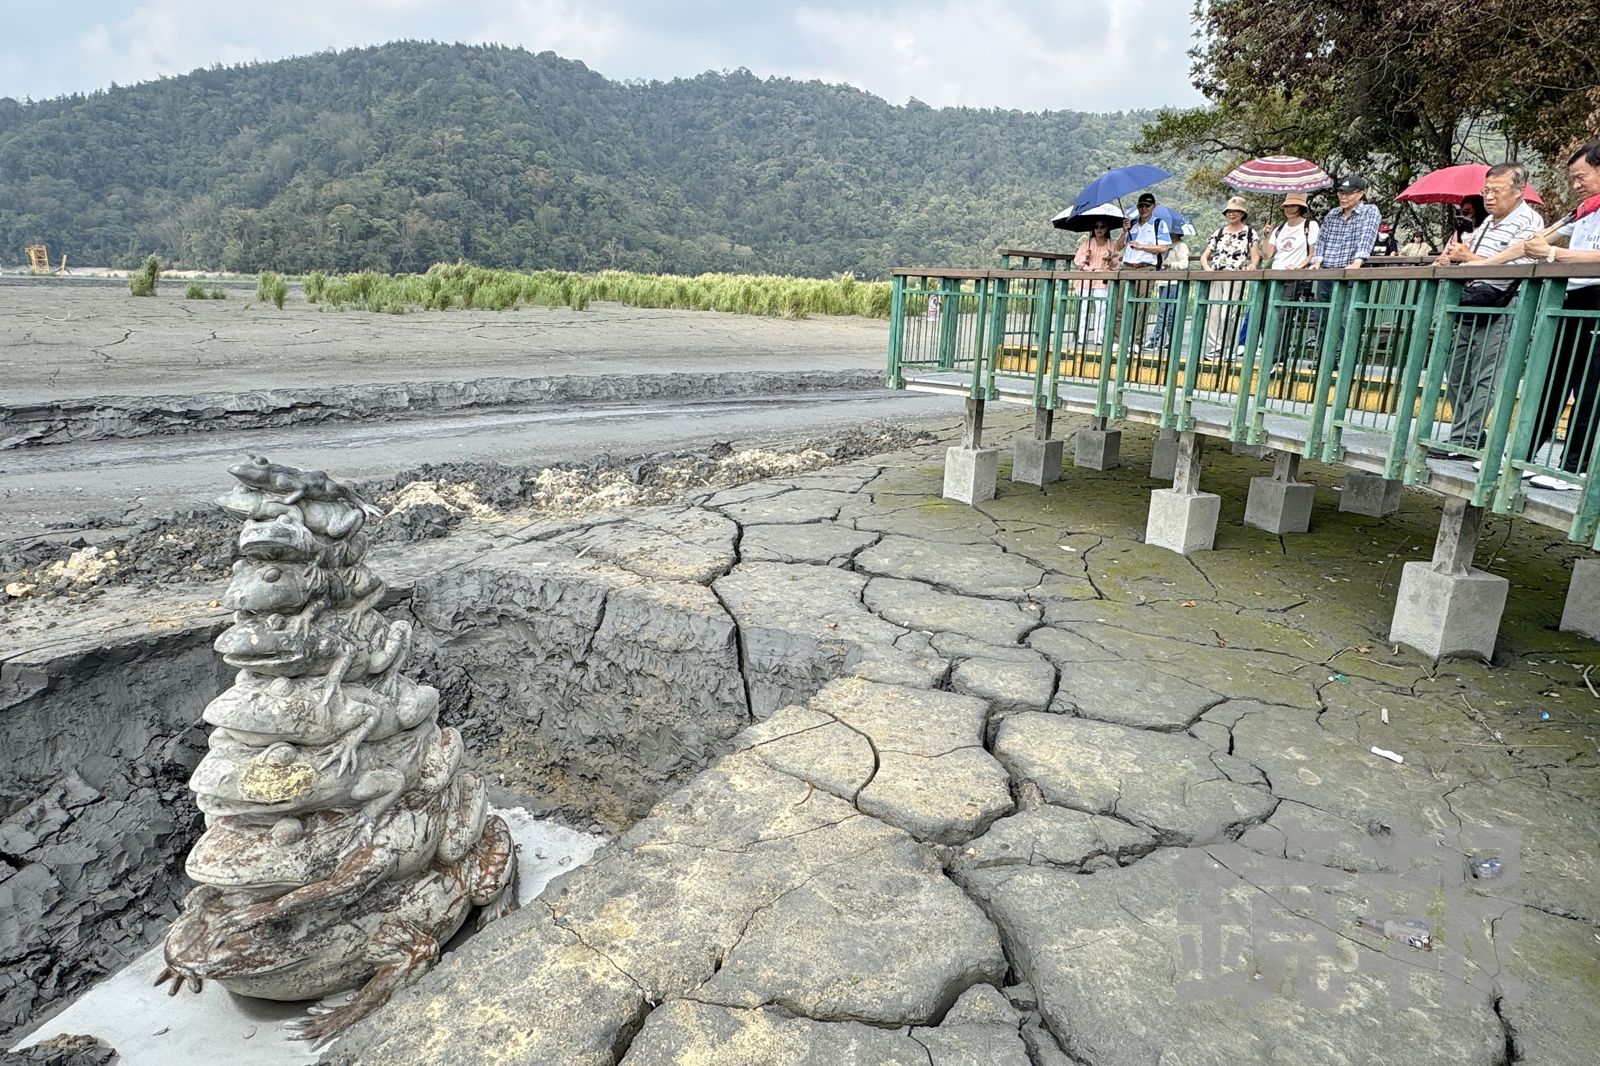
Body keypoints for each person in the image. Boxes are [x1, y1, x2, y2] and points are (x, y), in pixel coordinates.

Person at [1429, 162, 1541, 456]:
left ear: (1518, 192)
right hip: (1471, 301)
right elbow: (1470, 262)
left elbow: (1519, 266)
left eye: (1496, 191)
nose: (1489, 197)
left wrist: (1470, 257)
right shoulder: (1485, 224)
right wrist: (1453, 258)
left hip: (1503, 303)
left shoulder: (1529, 222)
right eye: (1486, 191)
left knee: (1484, 375)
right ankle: (1469, 432)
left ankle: (1465, 439)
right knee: (1455, 371)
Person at [1522, 140, 1600, 488]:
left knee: (1589, 383)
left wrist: (1553, 254)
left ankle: (1574, 467)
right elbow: (1537, 239)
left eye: (1581, 176)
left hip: (1597, 299)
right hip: (1572, 296)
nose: (1575, 184)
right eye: (1572, 178)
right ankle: (1525, 453)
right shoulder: (1585, 210)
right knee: (1553, 377)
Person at [1309, 175, 1381, 353]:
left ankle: (1342, 357)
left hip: (1350, 272)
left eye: (1349, 193)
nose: (1343, 196)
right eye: (1341, 192)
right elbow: (1322, 240)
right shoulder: (1333, 214)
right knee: (1321, 315)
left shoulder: (1370, 211)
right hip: (1327, 271)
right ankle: (1322, 356)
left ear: (1361, 194)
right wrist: (1317, 261)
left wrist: (1358, 261)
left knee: (1346, 317)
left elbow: (1367, 237)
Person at [1198, 196, 1259, 358]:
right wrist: (1207, 269)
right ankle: (1216, 347)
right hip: (1217, 275)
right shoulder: (1219, 233)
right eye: (1229, 211)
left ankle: (1230, 346)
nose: (1232, 214)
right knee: (1214, 312)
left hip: (1236, 275)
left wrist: (1252, 265)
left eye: (1236, 211)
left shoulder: (1250, 233)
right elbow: (1205, 255)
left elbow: (1255, 256)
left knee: (1228, 313)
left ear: (1242, 213)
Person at [1115, 192, 1171, 351]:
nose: (1144, 208)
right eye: (1141, 206)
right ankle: (1118, 340)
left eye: (1147, 205)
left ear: (1154, 207)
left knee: (1141, 306)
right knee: (1121, 305)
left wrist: (1142, 246)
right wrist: (1124, 231)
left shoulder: (1158, 224)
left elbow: (1163, 248)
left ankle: (1137, 341)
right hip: (1128, 266)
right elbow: (1118, 247)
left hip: (1146, 267)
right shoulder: (1131, 224)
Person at [1072, 219, 1118, 345]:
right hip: (1086, 279)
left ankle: (1099, 336)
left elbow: (1116, 264)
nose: (1099, 229)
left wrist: (1109, 259)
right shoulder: (1087, 244)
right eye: (1096, 226)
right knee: (1084, 308)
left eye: (1102, 226)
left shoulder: (1111, 244)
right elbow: (1077, 262)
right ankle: (1081, 336)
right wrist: (1085, 258)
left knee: (1101, 309)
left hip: (1102, 279)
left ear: (1106, 228)